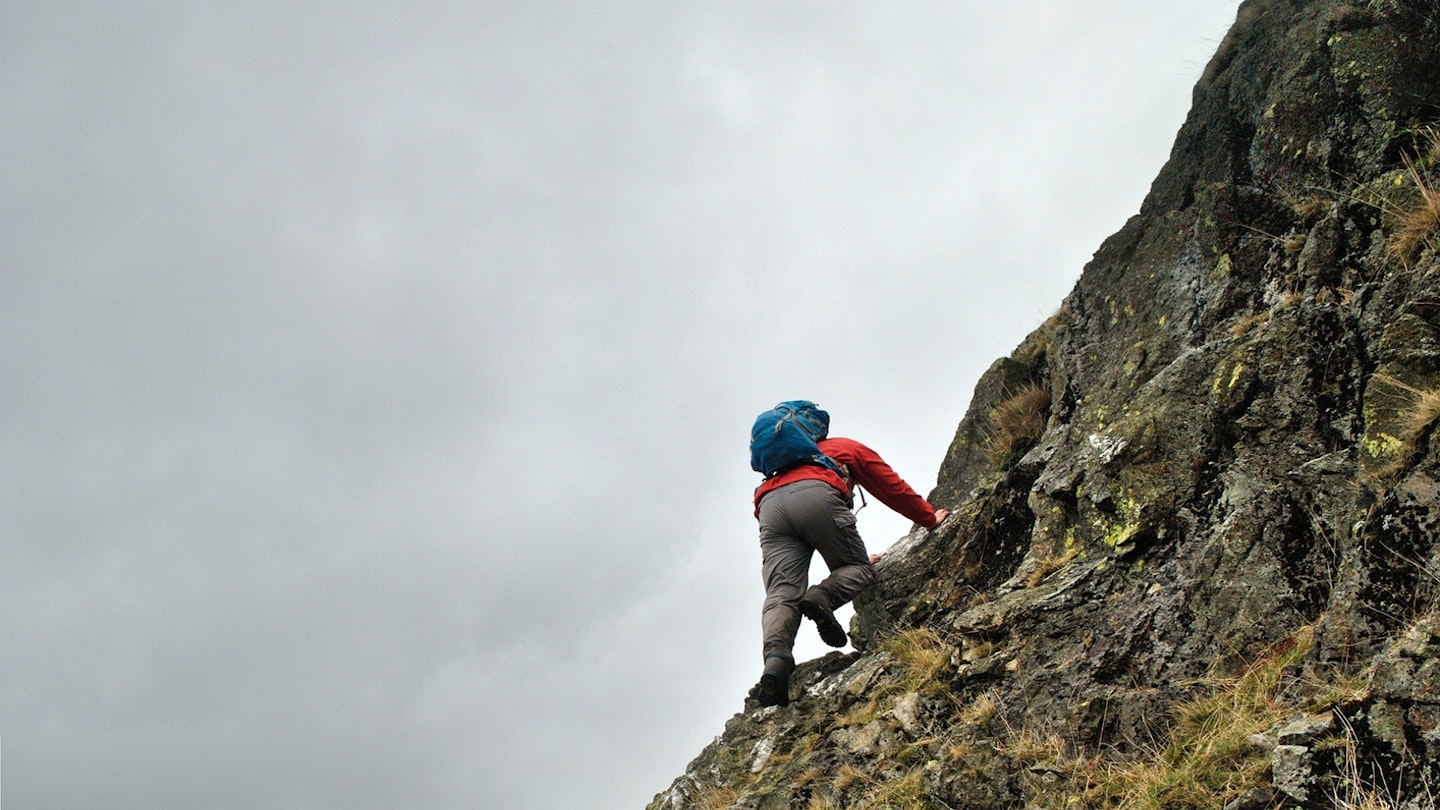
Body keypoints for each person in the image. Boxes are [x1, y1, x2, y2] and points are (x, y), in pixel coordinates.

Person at [747, 431, 949, 708]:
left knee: (781, 593)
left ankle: (776, 663)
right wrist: (928, 518)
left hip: (768, 505)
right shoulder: (844, 447)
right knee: (857, 568)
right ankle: (822, 598)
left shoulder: (781, 464)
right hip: (817, 493)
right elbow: (893, 488)